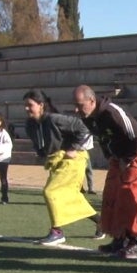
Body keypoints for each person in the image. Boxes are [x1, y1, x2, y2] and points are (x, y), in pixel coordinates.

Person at [74, 85, 137, 258]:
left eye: (80, 105)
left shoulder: (112, 112)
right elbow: (103, 139)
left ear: (92, 101)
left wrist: (126, 161)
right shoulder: (88, 117)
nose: (77, 110)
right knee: (112, 193)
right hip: (119, 154)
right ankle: (119, 237)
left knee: (131, 193)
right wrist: (112, 157)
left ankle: (136, 241)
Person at [24, 89, 97, 246]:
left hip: (74, 160)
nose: (26, 108)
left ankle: (57, 232)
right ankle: (101, 222)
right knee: (71, 196)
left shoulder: (54, 119)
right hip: (59, 161)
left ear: (41, 105)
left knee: (50, 191)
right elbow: (41, 145)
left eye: (30, 105)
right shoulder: (30, 124)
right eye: (25, 105)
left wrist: (74, 148)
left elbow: (83, 128)